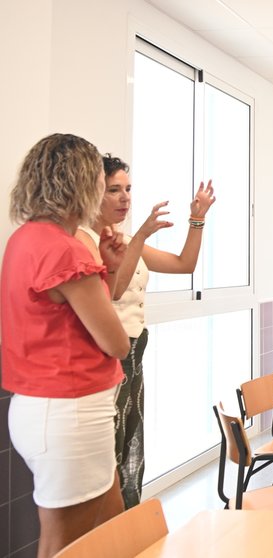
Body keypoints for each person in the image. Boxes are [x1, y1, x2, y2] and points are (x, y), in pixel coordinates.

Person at [2, 133, 131, 556]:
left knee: (114, 524)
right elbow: (116, 342)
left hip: (46, 407)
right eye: (102, 181)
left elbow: (82, 317)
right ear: (82, 183)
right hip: (68, 413)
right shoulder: (66, 252)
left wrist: (107, 270)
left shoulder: (25, 240)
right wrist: (98, 270)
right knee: (65, 545)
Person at [75, 155, 215, 509]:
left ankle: (128, 522)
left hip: (135, 351)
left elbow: (185, 265)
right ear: (92, 193)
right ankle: (111, 530)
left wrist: (197, 218)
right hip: (106, 355)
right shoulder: (85, 240)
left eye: (128, 189)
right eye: (114, 190)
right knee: (112, 444)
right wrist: (139, 236)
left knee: (130, 444)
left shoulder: (122, 238)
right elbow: (114, 291)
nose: (125, 198)